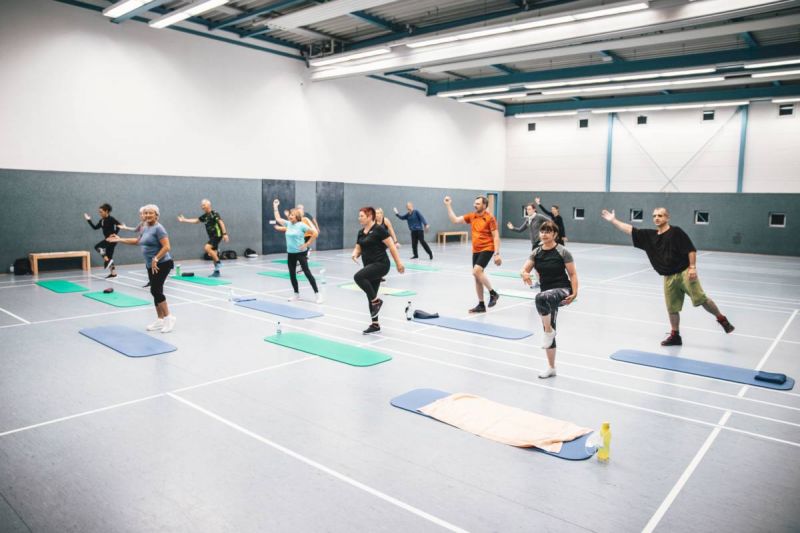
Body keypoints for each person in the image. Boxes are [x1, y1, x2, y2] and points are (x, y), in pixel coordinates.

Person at [601, 207, 734, 345]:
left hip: (684, 273)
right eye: (654, 216)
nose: (656, 218)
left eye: (660, 215)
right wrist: (613, 220)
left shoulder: (676, 232)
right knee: (672, 308)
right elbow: (629, 229)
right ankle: (675, 336)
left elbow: (691, 250)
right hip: (668, 277)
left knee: (702, 299)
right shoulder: (649, 236)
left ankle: (722, 319)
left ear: (667, 217)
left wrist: (692, 268)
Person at [520, 221, 578, 378]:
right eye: (542, 231)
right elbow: (524, 269)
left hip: (562, 290)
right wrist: (524, 274)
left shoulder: (562, 251)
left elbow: (573, 274)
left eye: (548, 231)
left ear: (555, 234)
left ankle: (548, 331)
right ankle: (551, 367)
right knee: (549, 323)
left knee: (540, 298)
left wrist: (575, 292)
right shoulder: (536, 252)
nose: (544, 234)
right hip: (546, 295)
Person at [107, 204, 176, 333]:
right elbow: (138, 241)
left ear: (156, 215)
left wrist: (156, 258)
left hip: (162, 263)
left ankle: (169, 318)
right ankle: (160, 320)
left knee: (156, 290)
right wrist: (120, 239)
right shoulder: (144, 227)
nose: (147, 215)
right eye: (146, 213)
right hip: (150, 264)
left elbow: (167, 247)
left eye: (151, 213)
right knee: (155, 291)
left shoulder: (159, 228)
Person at [351, 207, 405, 334]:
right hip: (369, 266)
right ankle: (375, 325)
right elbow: (358, 247)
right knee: (371, 294)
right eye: (359, 216)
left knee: (358, 277)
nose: (359, 218)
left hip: (381, 264)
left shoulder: (379, 229)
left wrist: (398, 263)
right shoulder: (360, 232)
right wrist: (354, 254)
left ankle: (376, 301)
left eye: (362, 216)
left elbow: (391, 246)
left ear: (370, 217)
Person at [444, 195, 501, 313]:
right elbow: (455, 220)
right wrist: (448, 205)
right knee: (477, 277)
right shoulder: (472, 216)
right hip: (476, 250)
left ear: (484, 205)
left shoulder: (490, 218)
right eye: (475, 203)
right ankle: (481, 304)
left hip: (487, 248)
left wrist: (497, 254)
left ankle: (493, 293)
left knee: (476, 271)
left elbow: (496, 236)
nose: (475, 205)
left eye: (478, 204)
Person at [273, 199, 322, 303]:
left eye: (292, 215)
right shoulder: (288, 224)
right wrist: (275, 206)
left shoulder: (301, 225)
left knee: (307, 273)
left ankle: (318, 295)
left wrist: (307, 244)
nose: (290, 216)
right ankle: (296, 295)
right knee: (292, 274)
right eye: (290, 215)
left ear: (297, 217)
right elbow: (277, 218)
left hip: (301, 253)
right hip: (291, 254)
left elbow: (315, 233)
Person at [177, 199, 229, 277]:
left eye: (204, 205)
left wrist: (225, 234)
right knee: (213, 254)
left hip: (217, 235)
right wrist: (184, 220)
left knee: (207, 248)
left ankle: (219, 263)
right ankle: (217, 271)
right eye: (202, 205)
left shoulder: (214, 214)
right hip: (212, 236)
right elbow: (196, 221)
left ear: (209, 205)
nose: (202, 207)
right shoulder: (205, 216)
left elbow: (221, 222)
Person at [84, 203, 123, 278]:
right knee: (109, 256)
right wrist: (88, 220)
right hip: (108, 239)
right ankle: (113, 273)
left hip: (112, 239)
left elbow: (119, 225)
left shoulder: (111, 219)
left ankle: (107, 260)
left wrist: (114, 234)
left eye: (101, 212)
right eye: (99, 212)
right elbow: (95, 227)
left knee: (97, 247)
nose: (100, 213)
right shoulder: (101, 220)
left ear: (106, 211)